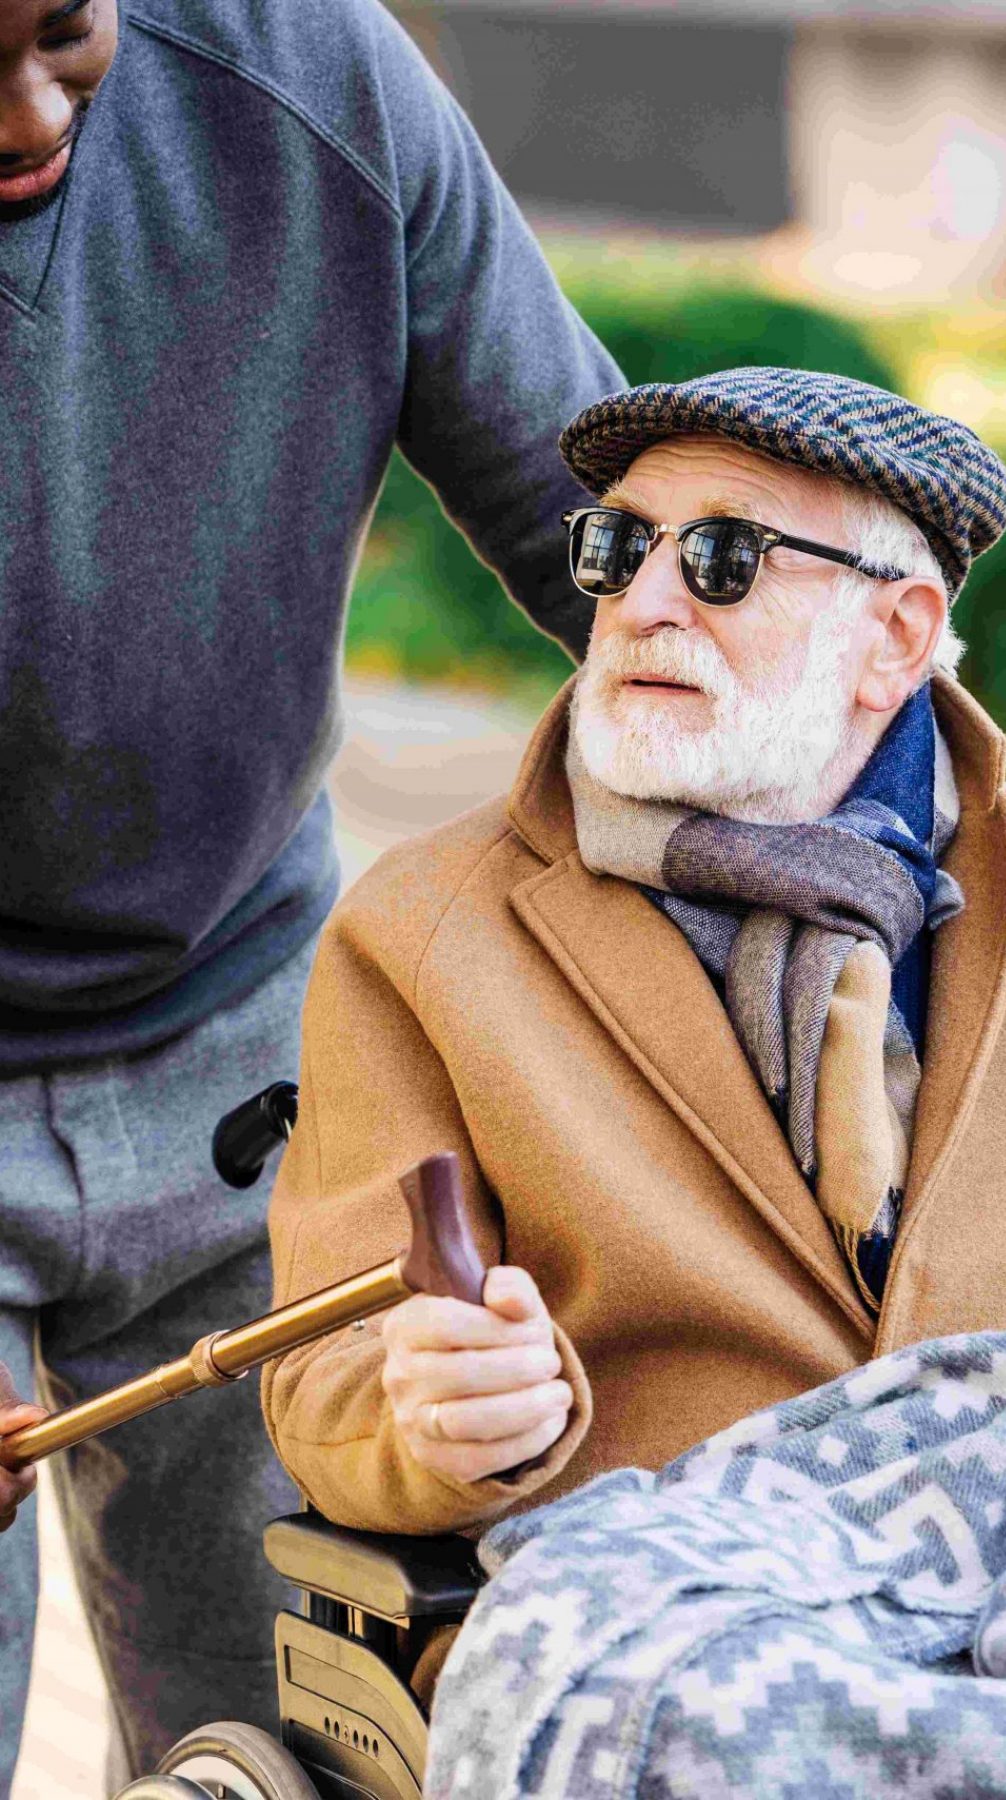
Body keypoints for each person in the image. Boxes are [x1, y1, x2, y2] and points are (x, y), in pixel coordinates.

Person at [263, 368, 1006, 1698]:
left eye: (721, 558)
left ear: (893, 637)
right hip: (685, 1660)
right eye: (617, 548)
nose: (643, 600)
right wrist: (443, 1423)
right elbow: (323, 1374)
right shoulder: (423, 933)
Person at [0, 0, 620, 1778]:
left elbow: (609, 533)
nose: (31, 107)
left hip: (246, 1047)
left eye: (66, 27)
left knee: (291, 1739)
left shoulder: (314, 73)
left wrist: (909, 805)